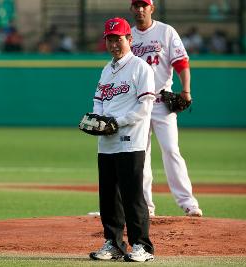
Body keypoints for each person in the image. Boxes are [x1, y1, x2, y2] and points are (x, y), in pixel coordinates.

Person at [88, 17, 155, 262]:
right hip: (106, 142)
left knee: (132, 196)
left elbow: (145, 107)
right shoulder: (107, 69)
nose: (114, 44)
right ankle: (114, 243)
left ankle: (143, 247)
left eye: (118, 39)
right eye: (110, 39)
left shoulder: (140, 67)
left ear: (129, 39)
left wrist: (116, 121)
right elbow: (99, 100)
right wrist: (97, 119)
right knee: (108, 197)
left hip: (130, 140)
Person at [129, 0, 202, 217]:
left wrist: (186, 90)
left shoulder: (166, 31)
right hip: (137, 103)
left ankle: (188, 203)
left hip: (162, 102)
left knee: (171, 150)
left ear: (151, 8)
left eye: (144, 5)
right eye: (136, 5)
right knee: (141, 155)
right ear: (132, 9)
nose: (140, 9)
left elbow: (181, 62)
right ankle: (146, 207)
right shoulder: (128, 35)